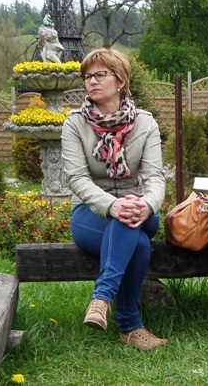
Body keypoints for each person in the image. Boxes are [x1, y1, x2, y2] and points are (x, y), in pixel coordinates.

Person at [62, 48, 167, 351]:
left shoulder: (145, 123)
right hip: (91, 213)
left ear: (120, 81)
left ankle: (102, 297)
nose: (91, 81)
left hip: (140, 209)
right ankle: (130, 327)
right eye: (87, 77)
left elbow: (155, 176)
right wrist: (111, 205)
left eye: (100, 75)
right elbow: (77, 178)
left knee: (130, 219)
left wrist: (147, 205)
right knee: (139, 244)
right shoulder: (74, 124)